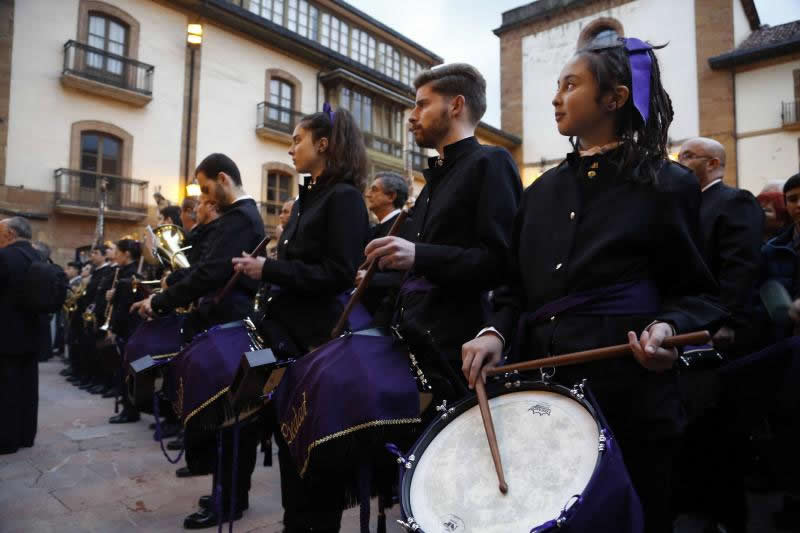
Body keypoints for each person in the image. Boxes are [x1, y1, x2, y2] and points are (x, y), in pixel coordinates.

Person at [460, 39, 724, 533]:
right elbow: (514, 290)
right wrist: (494, 333)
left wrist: (668, 327)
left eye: (570, 85)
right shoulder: (538, 192)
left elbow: (699, 294)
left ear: (614, 98)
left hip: (630, 400)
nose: (556, 98)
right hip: (542, 400)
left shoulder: (669, 184)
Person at [233, 105, 371, 532]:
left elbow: (338, 274)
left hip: (314, 345)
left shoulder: (344, 198)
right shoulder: (309, 199)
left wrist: (268, 269)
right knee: (291, 452)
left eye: (297, 139)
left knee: (314, 461)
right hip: (286, 342)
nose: (290, 147)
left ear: (323, 144)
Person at [364, 63, 521, 402]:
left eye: (422, 104)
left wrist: (418, 255)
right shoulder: (432, 182)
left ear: (456, 105)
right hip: (408, 346)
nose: (411, 115)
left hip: (456, 356)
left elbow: (501, 261)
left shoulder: (491, 162)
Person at [132, 153, 265, 530]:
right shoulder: (233, 219)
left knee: (232, 419)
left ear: (223, 179)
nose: (205, 197)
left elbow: (210, 272)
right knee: (225, 419)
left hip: (230, 323)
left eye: (206, 188)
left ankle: (231, 499)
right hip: (221, 321)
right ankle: (227, 491)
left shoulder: (240, 218)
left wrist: (160, 300)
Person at [679, 137, 763, 354]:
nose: (679, 163)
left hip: (721, 327)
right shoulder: (688, 205)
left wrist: (728, 321)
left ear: (712, 164)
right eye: (678, 157)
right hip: (691, 318)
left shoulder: (735, 200)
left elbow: (740, 264)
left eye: (687, 156)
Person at [0, 217, 44, 454]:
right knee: (28, 386)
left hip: (6, 334)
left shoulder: (5, 257)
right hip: (32, 333)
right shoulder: (38, 256)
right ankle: (26, 435)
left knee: (7, 389)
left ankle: (7, 440)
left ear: (9, 233)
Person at [359, 172, 410, 326]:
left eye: (374, 189)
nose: (368, 194)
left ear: (391, 196)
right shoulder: (374, 229)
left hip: (386, 317)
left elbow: (407, 275)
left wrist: (370, 279)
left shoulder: (407, 225)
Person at [107, 239, 144, 423]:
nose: (116, 256)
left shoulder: (129, 277)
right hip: (134, 328)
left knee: (126, 371)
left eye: (118, 252)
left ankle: (129, 410)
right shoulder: (132, 272)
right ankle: (129, 408)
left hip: (128, 329)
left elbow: (123, 309)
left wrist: (113, 329)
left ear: (127, 254)